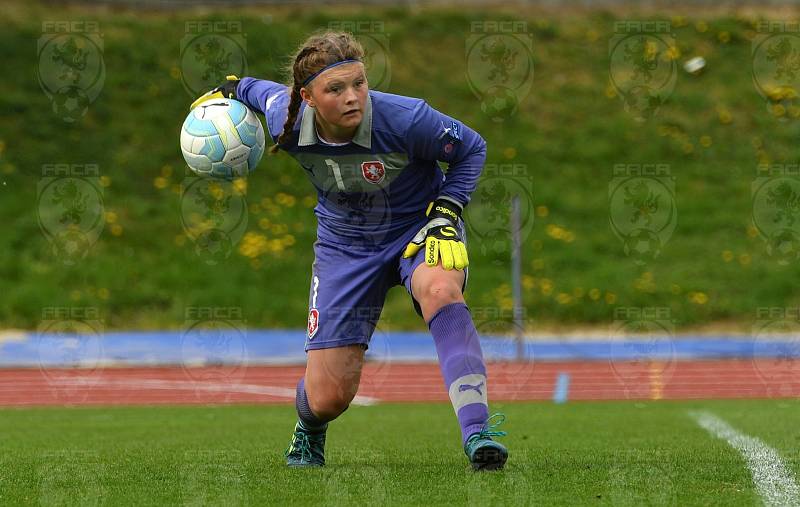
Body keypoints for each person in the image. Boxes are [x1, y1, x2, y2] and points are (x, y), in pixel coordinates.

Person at [192, 31, 508, 471]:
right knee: (328, 398)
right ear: (307, 97)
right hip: (346, 245)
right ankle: (310, 430)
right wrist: (227, 90)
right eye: (335, 89)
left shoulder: (406, 117)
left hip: (419, 229)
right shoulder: (284, 112)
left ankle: (479, 431)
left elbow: (471, 147)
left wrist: (447, 213)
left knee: (440, 289)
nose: (353, 97)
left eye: (358, 83)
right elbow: (249, 88)